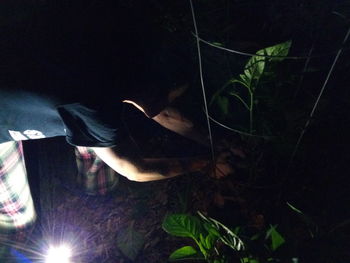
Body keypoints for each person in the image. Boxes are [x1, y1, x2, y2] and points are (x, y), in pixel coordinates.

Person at [0, 1, 234, 252]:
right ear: (151, 87)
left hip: (30, 64)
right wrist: (204, 164)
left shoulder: (115, 40)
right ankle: (16, 248)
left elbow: (161, 110)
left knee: (98, 146)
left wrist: (212, 144)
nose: (169, 106)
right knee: (16, 214)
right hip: (8, 108)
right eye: (170, 97)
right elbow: (134, 169)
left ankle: (96, 194)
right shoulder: (94, 103)